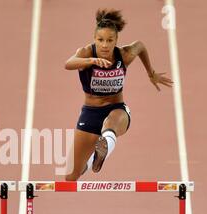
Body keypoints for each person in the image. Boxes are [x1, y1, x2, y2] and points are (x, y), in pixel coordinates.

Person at [64, 9, 173, 181]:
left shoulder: (124, 55)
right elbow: (68, 64)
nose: (105, 45)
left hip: (116, 109)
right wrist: (91, 61)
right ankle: (91, 159)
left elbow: (140, 46)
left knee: (111, 123)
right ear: (94, 39)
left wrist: (151, 73)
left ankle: (104, 147)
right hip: (90, 113)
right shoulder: (87, 52)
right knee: (70, 176)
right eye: (100, 40)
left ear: (116, 41)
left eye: (110, 40)